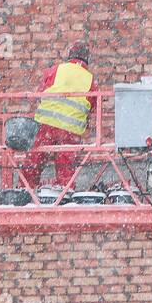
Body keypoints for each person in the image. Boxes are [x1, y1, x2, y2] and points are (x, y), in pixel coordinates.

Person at [25, 40, 98, 192]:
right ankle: (64, 194)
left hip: (45, 125)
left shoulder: (55, 70)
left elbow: (40, 92)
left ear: (69, 56)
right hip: (70, 130)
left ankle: (25, 191)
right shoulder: (90, 79)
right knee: (65, 165)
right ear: (86, 59)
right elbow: (92, 105)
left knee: (34, 161)